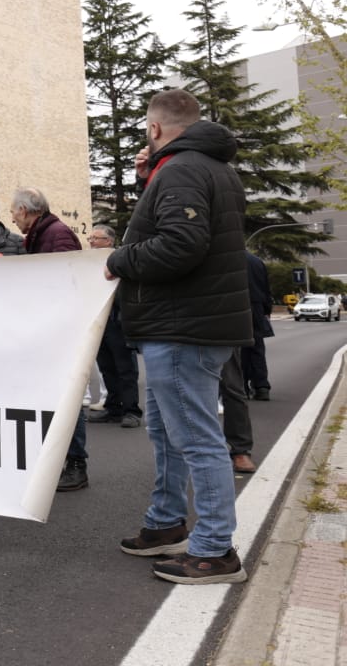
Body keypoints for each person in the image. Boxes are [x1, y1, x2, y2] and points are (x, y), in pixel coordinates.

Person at [106, 88, 251, 585]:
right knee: (168, 431)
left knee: (195, 437)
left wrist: (117, 260)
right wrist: (150, 177)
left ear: (154, 128)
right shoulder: (207, 167)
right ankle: (166, 523)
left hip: (182, 326)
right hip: (192, 322)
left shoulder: (185, 169)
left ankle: (214, 550)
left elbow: (181, 243)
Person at [11, 187, 89, 493]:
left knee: (67, 397)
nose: (13, 217)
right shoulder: (45, 234)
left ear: (27, 211)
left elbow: (65, 283)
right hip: (53, 329)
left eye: (14, 210)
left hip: (62, 330)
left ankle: (76, 463)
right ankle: (62, 461)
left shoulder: (55, 235)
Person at [86, 225, 142, 429]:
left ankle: (131, 411)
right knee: (107, 367)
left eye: (96, 238)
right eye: (90, 237)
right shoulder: (90, 262)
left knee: (125, 368)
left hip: (119, 320)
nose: (91, 241)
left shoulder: (121, 259)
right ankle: (113, 407)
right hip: (99, 322)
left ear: (109, 241)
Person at [244, 250, 274, 401]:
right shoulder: (257, 261)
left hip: (237, 306)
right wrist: (267, 310)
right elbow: (266, 288)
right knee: (257, 348)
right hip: (257, 307)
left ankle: (242, 387)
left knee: (239, 349)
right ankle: (261, 386)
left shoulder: (228, 259)